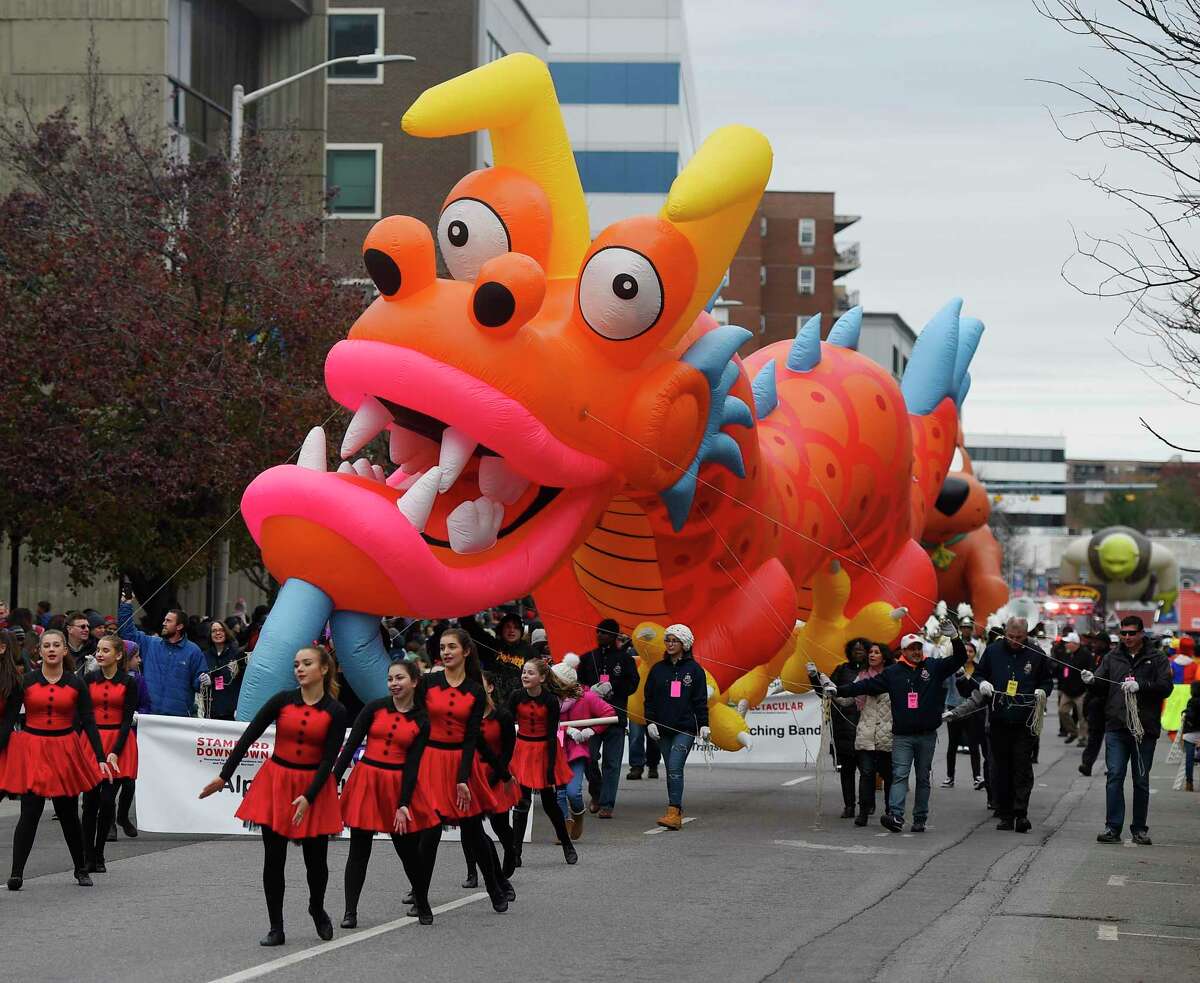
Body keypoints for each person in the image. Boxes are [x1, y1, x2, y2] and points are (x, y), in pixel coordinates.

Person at [199, 647, 347, 945]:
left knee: (315, 862)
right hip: (277, 782)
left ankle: (316, 908)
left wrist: (309, 796)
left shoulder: (336, 711)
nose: (299, 669)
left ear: (324, 669)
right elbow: (249, 735)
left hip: (313, 788)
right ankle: (276, 927)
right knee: (273, 859)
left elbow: (327, 761)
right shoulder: (282, 700)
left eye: (307, 663)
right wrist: (224, 775)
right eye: (296, 664)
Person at [823, 627, 967, 833]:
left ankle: (920, 818)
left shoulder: (933, 667)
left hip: (927, 735)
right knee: (899, 775)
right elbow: (865, 686)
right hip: (902, 736)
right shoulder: (893, 673)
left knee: (923, 777)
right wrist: (838, 689)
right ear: (903, 652)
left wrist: (954, 637)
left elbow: (959, 658)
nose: (916, 652)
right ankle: (896, 817)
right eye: (911, 649)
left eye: (918, 647)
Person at [334, 659, 440, 927]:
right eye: (390, 678)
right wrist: (331, 780)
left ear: (414, 681)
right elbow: (350, 747)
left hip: (397, 786)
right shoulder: (374, 708)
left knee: (407, 850)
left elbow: (413, 765)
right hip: (367, 781)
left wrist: (404, 803)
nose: (394, 683)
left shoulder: (422, 720)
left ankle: (422, 900)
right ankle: (350, 912)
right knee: (359, 849)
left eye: (400, 678)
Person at [4, 629, 113, 890]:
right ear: (39, 651)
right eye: (47, 646)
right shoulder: (26, 681)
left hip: (65, 750)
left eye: (57, 645)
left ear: (65, 651)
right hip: (34, 749)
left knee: (68, 814)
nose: (51, 649)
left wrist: (100, 757)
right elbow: (8, 719)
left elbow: (88, 721)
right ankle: (16, 873)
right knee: (29, 812)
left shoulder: (76, 683)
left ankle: (80, 868)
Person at [414, 627, 512, 912]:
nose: (445, 652)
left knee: (472, 831)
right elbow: (417, 722)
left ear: (466, 651)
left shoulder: (475, 691)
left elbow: (472, 737)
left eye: (451, 647)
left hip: (461, 763)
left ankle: (495, 886)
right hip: (431, 761)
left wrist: (462, 778)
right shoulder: (428, 683)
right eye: (442, 647)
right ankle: (421, 897)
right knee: (429, 832)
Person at [1083, 615, 1174, 845]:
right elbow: (1102, 686)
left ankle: (1139, 829)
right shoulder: (1112, 656)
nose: (1126, 637)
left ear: (1141, 633)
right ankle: (1112, 827)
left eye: (1131, 633)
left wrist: (1141, 686)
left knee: (1141, 780)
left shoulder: (1157, 657)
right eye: (1123, 633)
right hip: (1116, 726)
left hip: (1144, 728)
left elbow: (1166, 688)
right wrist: (1091, 680)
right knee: (1114, 776)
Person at [972, 617, 1055, 833]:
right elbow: (978, 673)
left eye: (1019, 637)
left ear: (1026, 635)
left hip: (1024, 721)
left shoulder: (1036, 653)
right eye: (1011, 636)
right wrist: (982, 683)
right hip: (999, 718)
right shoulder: (992, 651)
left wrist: (1043, 691)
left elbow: (1047, 680)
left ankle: (1021, 813)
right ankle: (1005, 813)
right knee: (1001, 768)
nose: (1015, 641)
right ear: (1005, 632)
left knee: (1022, 767)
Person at [507, 656, 577, 863]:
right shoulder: (516, 696)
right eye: (524, 672)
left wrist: (550, 766)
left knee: (550, 803)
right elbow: (506, 724)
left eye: (530, 673)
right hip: (522, 750)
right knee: (522, 802)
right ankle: (515, 852)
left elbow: (551, 735)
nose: (525, 676)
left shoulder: (549, 700)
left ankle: (567, 844)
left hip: (544, 750)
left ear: (542, 677)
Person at [79, 634, 139, 872]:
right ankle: (87, 855)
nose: (99, 654)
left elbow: (127, 720)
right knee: (89, 802)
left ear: (118, 655)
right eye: (98, 650)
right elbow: (83, 716)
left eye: (105, 650)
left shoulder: (128, 682)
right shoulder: (88, 679)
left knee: (106, 801)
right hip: (91, 742)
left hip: (118, 741)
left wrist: (115, 751)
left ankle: (100, 852)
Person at [644, 624, 710, 831]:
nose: (670, 644)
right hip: (662, 728)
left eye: (675, 641)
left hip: (685, 728)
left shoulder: (695, 671)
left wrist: (704, 724)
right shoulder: (657, 669)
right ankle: (674, 809)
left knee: (674, 766)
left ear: (685, 644)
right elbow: (649, 699)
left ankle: (674, 811)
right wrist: (650, 722)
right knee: (671, 769)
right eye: (668, 640)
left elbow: (700, 700)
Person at [576, 619, 639, 818]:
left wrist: (614, 686)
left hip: (616, 718)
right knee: (589, 758)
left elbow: (633, 684)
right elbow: (577, 686)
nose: (601, 636)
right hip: (591, 720)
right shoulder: (586, 659)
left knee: (612, 763)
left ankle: (607, 803)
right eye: (598, 632)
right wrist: (589, 690)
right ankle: (596, 792)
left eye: (605, 633)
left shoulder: (625, 659)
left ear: (614, 636)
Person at [463, 671, 520, 889]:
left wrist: (497, 775)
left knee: (499, 823)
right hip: (472, 773)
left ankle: (510, 850)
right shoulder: (468, 716)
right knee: (469, 825)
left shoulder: (502, 715)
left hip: (497, 772)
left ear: (490, 688)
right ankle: (472, 871)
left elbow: (508, 750)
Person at [553, 654, 614, 839]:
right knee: (560, 792)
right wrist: (567, 730)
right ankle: (563, 826)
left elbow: (609, 713)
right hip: (556, 750)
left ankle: (578, 814)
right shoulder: (549, 699)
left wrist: (591, 730)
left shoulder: (586, 698)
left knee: (573, 791)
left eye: (554, 680)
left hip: (576, 751)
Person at [117, 591, 207, 717]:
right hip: (149, 714)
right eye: (164, 620)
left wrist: (204, 681)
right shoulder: (151, 643)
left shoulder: (193, 651)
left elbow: (199, 683)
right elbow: (127, 632)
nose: (164, 623)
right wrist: (126, 605)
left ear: (179, 626)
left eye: (168, 621)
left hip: (178, 718)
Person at [808, 638, 866, 818]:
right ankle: (849, 806)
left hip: (866, 727)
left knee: (867, 771)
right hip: (844, 729)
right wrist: (814, 677)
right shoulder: (841, 670)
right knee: (847, 771)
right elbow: (825, 693)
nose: (858, 651)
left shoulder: (872, 672)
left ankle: (866, 804)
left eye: (862, 649)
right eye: (855, 649)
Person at [851, 641, 893, 826]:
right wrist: (823, 684)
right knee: (866, 773)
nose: (872, 655)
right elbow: (847, 698)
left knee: (888, 775)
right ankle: (863, 812)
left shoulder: (894, 676)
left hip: (887, 734)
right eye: (870, 652)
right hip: (866, 734)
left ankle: (891, 811)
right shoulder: (861, 677)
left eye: (876, 652)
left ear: (884, 656)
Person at [942, 637, 985, 790]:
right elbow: (944, 685)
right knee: (952, 744)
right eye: (965, 651)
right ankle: (949, 776)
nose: (968, 653)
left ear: (975, 653)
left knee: (974, 744)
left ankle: (977, 777)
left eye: (971, 651)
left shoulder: (979, 669)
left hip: (973, 710)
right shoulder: (953, 668)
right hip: (954, 707)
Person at [1078, 629, 1111, 776]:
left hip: (1108, 703)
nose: (1094, 644)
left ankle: (1112, 766)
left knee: (1111, 738)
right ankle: (1087, 764)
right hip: (1095, 704)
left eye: (1097, 642)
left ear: (1104, 643)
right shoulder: (1095, 657)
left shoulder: (1110, 658)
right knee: (1094, 736)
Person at [484, 613, 530, 707]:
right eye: (508, 627)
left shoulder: (530, 651)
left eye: (516, 627)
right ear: (502, 629)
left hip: (520, 704)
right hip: (493, 703)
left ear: (521, 631)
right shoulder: (491, 645)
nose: (512, 630)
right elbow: (471, 629)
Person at [202, 620, 242, 721]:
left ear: (226, 632)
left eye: (221, 630)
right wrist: (203, 679)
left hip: (231, 709)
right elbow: (198, 677)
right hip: (212, 709)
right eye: (214, 631)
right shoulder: (205, 655)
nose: (218, 633)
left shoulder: (236, 654)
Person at [1055, 632, 1091, 746]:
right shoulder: (1067, 654)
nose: (1065, 645)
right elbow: (1063, 669)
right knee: (1062, 711)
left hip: (1080, 691)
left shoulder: (1085, 655)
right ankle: (1073, 731)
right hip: (1067, 690)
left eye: (1068, 643)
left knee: (1082, 716)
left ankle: (1083, 738)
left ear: (1075, 643)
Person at [1180, 680, 1200, 792]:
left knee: (1189, 759)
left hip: (1190, 734)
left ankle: (1189, 783)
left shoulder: (1192, 701)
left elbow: (1190, 716)